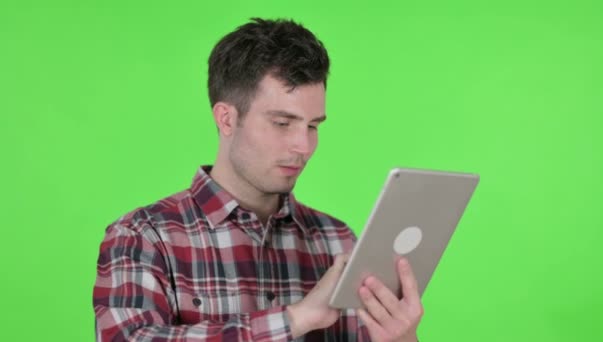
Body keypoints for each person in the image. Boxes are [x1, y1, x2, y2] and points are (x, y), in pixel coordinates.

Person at [93, 17, 423, 341]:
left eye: (313, 126)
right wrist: (297, 318)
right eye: (282, 123)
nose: (303, 146)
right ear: (226, 119)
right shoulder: (143, 238)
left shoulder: (337, 241)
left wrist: (402, 339)